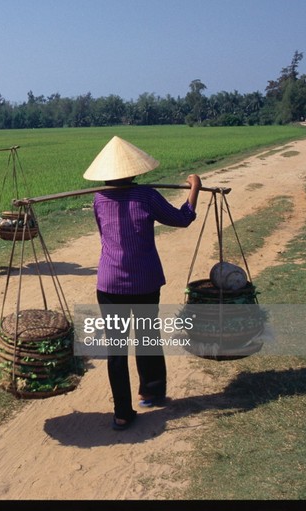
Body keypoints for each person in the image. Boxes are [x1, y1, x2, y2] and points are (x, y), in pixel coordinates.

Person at [84, 135, 201, 430]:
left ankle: (122, 412)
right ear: (134, 170)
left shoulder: (99, 198)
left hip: (110, 284)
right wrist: (194, 190)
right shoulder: (146, 196)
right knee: (147, 336)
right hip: (144, 281)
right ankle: (150, 391)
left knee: (117, 348)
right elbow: (181, 219)